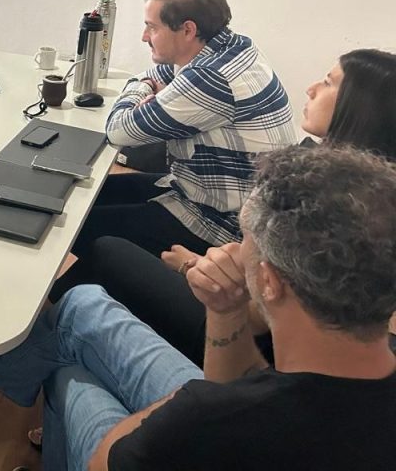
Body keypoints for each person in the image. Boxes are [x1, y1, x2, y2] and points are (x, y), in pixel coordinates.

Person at [0, 144, 396, 471]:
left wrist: (183, 405)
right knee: (83, 303)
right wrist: (226, 309)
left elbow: (105, 461)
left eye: (244, 242)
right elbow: (249, 386)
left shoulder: (212, 419)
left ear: (269, 282)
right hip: (233, 407)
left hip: (190, 429)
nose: (233, 251)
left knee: (71, 377)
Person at [69, 49, 396, 366]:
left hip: (247, 341)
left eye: (327, 82)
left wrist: (192, 268)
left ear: (362, 108)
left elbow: (264, 313)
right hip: (247, 292)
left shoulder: (328, 202)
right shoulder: (365, 190)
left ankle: (59, 336)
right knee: (96, 199)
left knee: (105, 250)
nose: (311, 89)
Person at [55, 0, 295, 273]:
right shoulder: (233, 47)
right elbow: (155, 73)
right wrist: (149, 88)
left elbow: (117, 130)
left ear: (187, 30)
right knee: (82, 197)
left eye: (152, 27)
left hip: (220, 226)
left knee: (78, 223)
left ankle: (98, 286)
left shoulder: (211, 79)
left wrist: (141, 91)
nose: (144, 36)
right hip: (203, 193)